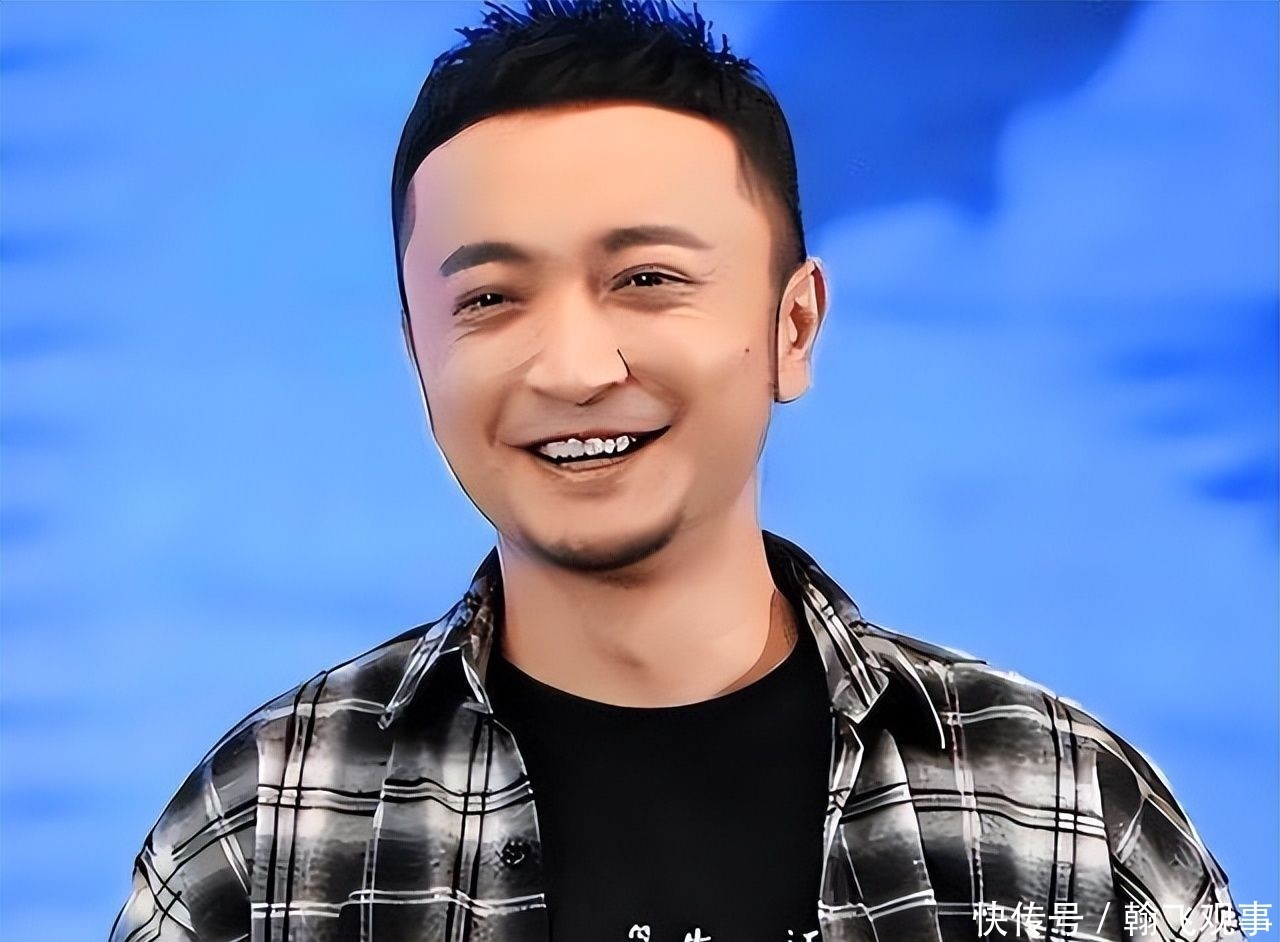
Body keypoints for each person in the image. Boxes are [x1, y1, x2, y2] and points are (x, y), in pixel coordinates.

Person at [109, 2, 1242, 941]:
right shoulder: (266, 827)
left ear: (793, 327)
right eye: (490, 299)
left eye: (646, 280)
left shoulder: (1062, 808)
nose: (574, 368)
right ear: (419, 357)